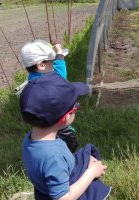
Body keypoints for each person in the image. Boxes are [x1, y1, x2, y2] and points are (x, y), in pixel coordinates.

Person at [20, 72, 109, 200]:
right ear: (65, 117)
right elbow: (63, 197)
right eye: (76, 105)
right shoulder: (53, 156)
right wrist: (91, 172)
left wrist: (82, 163)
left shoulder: (31, 139)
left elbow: (55, 169)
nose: (78, 106)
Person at [20, 39, 78, 152]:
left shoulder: (32, 82)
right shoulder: (52, 83)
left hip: (42, 128)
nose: (55, 63)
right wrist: (59, 53)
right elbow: (61, 74)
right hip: (58, 126)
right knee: (67, 146)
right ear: (41, 65)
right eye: (53, 61)